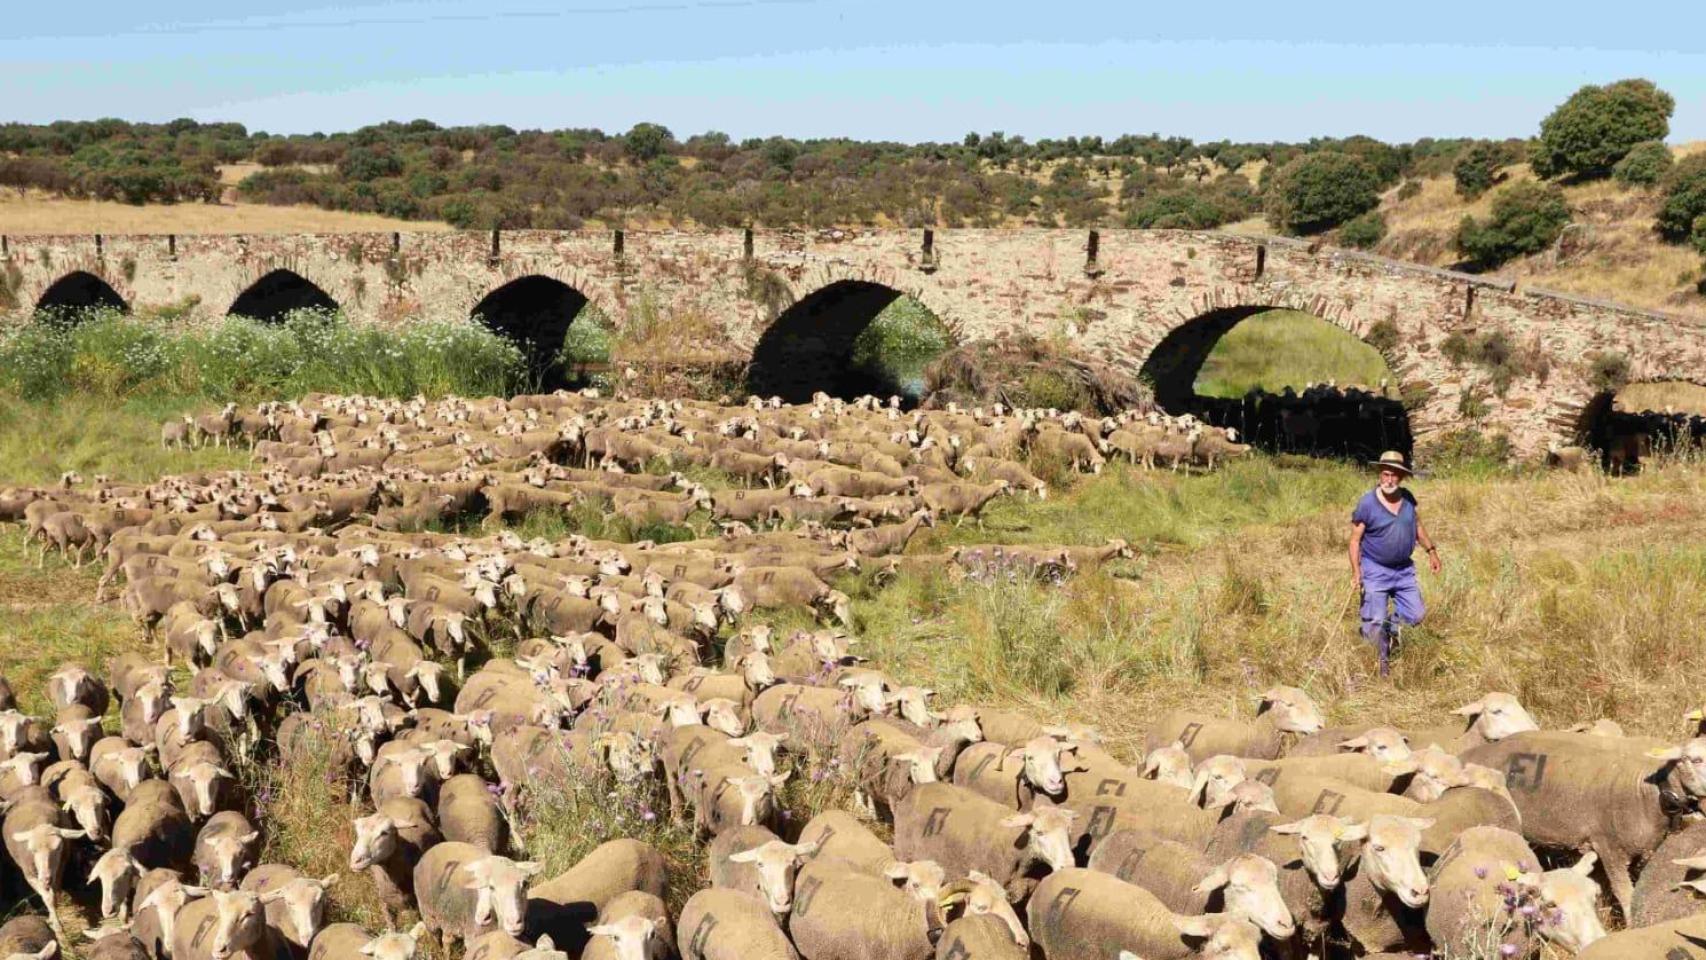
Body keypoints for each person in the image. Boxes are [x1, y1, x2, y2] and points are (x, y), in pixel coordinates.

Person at [1349, 450, 1440, 676]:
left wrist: (1431, 550)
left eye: (1394, 476)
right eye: (1386, 474)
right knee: (1374, 621)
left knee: (1416, 614)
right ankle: (1380, 666)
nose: (1389, 480)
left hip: (1403, 570)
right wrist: (1356, 572)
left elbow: (1417, 527)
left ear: (1402, 477)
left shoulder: (1408, 499)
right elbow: (1354, 540)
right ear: (1380, 474)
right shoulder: (1367, 503)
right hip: (1375, 569)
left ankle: (1388, 628)